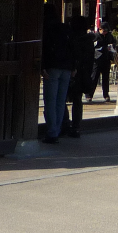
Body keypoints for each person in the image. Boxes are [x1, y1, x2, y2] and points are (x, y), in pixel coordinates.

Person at [41, 15, 77, 144]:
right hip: (67, 67)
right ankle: (57, 129)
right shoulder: (66, 30)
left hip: (52, 66)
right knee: (61, 101)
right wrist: (73, 66)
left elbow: (44, 49)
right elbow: (73, 48)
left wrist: (43, 66)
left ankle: (52, 132)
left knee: (50, 101)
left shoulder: (48, 30)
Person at [64, 16, 95, 138]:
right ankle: (76, 126)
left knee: (61, 98)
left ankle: (65, 123)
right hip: (84, 73)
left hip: (71, 71)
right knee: (78, 100)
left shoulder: (72, 39)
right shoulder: (89, 40)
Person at [88, 25, 115, 103]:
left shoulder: (109, 36)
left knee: (106, 78)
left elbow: (113, 43)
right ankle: (90, 94)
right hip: (97, 59)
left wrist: (111, 48)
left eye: (106, 31)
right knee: (94, 77)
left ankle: (106, 94)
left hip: (106, 59)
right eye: (104, 31)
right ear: (100, 29)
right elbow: (92, 46)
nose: (105, 33)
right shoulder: (95, 36)